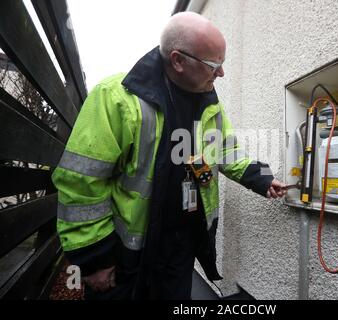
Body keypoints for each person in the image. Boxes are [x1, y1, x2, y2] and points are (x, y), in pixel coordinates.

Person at [51, 12, 286, 300]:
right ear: (178, 60)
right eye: (215, 65)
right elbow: (81, 182)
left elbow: (227, 151)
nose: (221, 73)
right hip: (127, 254)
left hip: (180, 249)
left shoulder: (209, 103)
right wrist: (95, 259)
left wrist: (264, 179)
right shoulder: (115, 98)